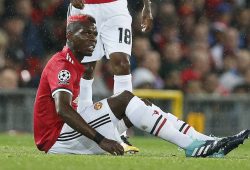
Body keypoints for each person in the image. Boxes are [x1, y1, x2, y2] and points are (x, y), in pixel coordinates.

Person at [34, 14, 249, 157]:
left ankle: (205, 142)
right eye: (86, 33)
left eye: (94, 34)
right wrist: (101, 140)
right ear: (70, 35)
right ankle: (192, 148)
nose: (93, 39)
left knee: (141, 105)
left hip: (65, 135)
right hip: (56, 139)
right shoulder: (62, 65)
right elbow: (62, 109)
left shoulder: (75, 63)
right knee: (126, 99)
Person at [68, 0, 153, 150]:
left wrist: (147, 5)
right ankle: (85, 134)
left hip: (115, 8)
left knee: (122, 63)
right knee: (85, 69)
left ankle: (121, 135)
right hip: (85, 6)